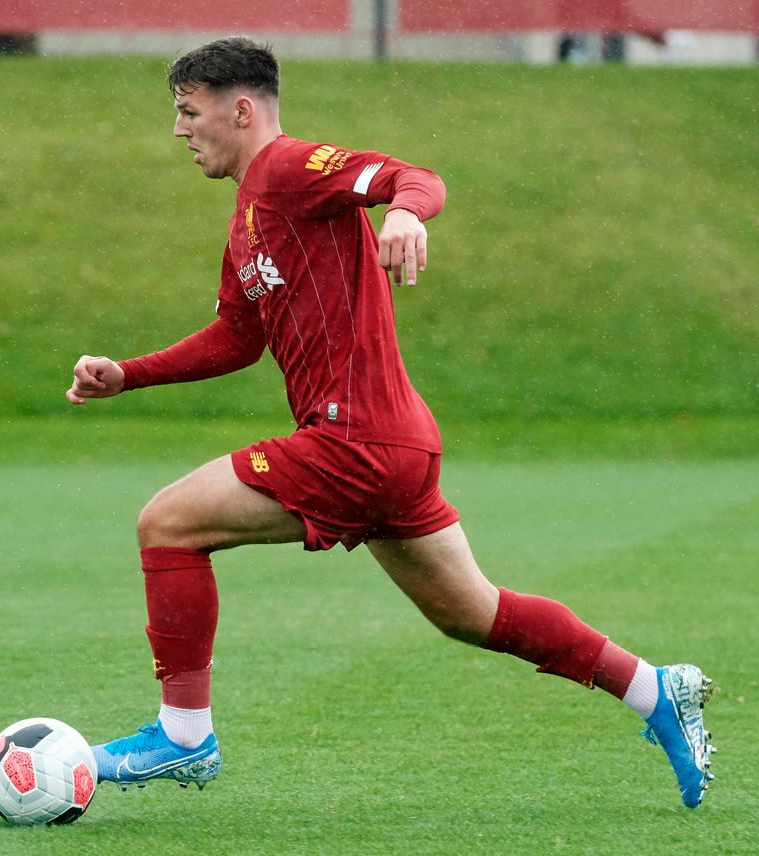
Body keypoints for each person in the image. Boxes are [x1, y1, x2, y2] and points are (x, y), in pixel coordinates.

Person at [65, 37, 715, 807]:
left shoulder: (287, 168)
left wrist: (405, 216)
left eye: (188, 111)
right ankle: (654, 689)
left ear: (240, 110)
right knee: (472, 614)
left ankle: (181, 736)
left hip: (354, 440)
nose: (179, 129)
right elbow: (238, 338)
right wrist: (129, 375)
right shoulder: (246, 218)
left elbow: (416, 176)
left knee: (167, 523)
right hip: (394, 443)